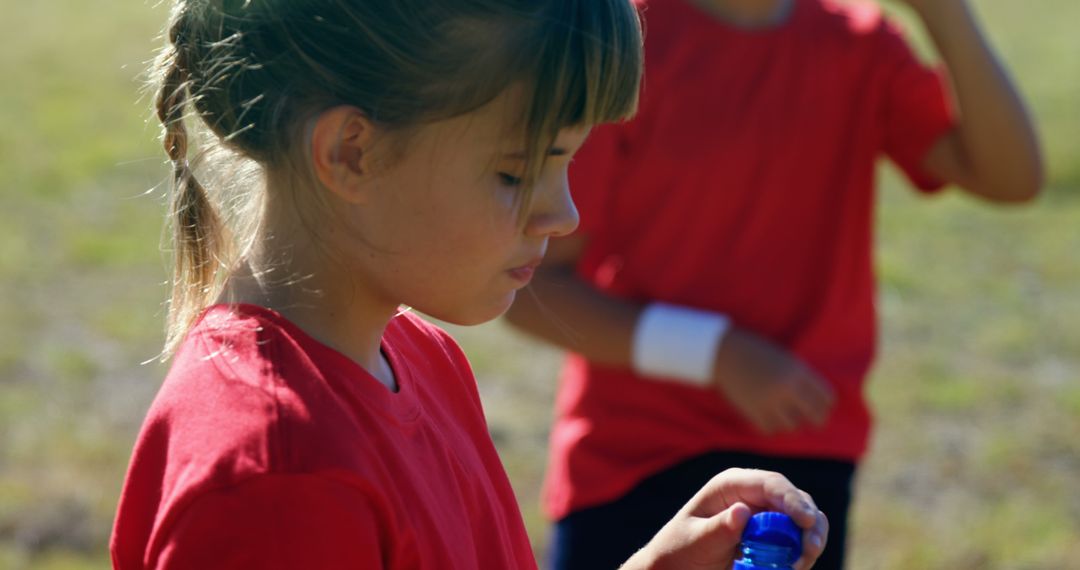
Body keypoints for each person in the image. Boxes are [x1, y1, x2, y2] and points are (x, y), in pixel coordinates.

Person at [109, 0, 831, 568]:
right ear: (351, 152)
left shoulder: (418, 357)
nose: (564, 214)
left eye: (568, 163)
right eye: (516, 172)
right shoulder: (280, 480)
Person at [504, 0, 1043, 567]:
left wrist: (946, 15)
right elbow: (536, 289)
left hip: (802, 442)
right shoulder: (627, 39)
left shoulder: (860, 44)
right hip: (636, 455)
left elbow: (1009, 177)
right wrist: (716, 354)